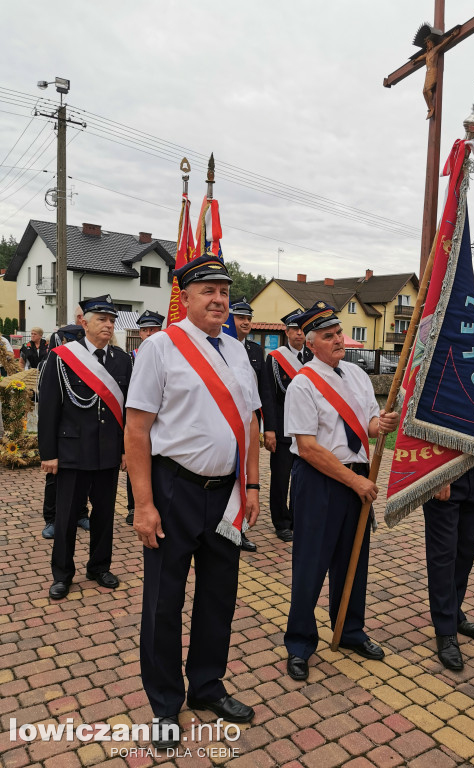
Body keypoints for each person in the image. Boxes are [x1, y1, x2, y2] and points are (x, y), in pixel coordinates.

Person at [125, 255, 261, 750]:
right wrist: (143, 504)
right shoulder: (160, 348)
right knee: (164, 602)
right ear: (185, 296)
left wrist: (253, 486)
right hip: (173, 490)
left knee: (219, 597)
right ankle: (164, 704)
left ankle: (207, 686)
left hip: (225, 495)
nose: (220, 299)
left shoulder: (238, 351)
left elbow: (249, 422)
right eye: (208, 290)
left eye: (224, 291)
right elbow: (136, 429)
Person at [283, 301, 399, 681]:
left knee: (353, 562)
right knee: (311, 565)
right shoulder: (302, 383)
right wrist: (355, 482)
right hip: (319, 482)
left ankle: (349, 630)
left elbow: (364, 424)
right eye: (328, 336)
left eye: (339, 334)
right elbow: (308, 447)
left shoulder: (357, 375)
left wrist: (379, 424)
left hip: (356, 479)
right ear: (311, 343)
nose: (338, 341)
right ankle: (299, 643)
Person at [423, 294, 474, 671]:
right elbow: (422, 424)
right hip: (446, 471)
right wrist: (437, 473)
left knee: (465, 551)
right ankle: (444, 631)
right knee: (442, 555)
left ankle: (454, 612)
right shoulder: (439, 364)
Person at [38, 295, 132, 600]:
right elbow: (49, 407)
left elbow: (128, 410)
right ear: (84, 322)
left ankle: (99, 566)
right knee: (65, 518)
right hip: (72, 453)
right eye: (101, 319)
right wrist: (48, 453)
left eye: (111, 320)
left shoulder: (121, 359)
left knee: (104, 515)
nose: (107, 325)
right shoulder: (62, 356)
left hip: (107, 452)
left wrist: (126, 449)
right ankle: (62, 573)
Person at [264, 308, 313, 542]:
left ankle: (297, 517)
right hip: (283, 430)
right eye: (294, 329)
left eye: (302, 330)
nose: (299, 334)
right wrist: (270, 430)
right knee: (281, 479)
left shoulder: (312, 358)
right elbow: (269, 397)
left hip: (306, 430)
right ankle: (281, 522)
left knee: (303, 478)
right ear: (286, 331)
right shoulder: (275, 358)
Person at [229, 299, 274, 552]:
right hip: (225, 427)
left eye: (248, 318)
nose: (245, 322)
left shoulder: (255, 351)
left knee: (246, 477)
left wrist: (268, 427)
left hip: (249, 426)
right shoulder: (215, 347)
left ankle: (241, 529)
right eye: (239, 318)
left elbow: (264, 392)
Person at [41, 324, 91, 539]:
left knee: (84, 479)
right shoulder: (53, 361)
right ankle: (51, 519)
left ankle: (81, 513)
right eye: (71, 341)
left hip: (83, 435)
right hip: (61, 434)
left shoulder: (90, 363)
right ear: (63, 342)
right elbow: (47, 405)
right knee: (54, 480)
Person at [125, 310, 165, 526]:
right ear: (139, 333)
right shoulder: (129, 358)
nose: (149, 333)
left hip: (159, 422)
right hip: (138, 421)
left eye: (153, 329)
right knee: (135, 464)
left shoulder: (166, 355)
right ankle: (133, 506)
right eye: (145, 330)